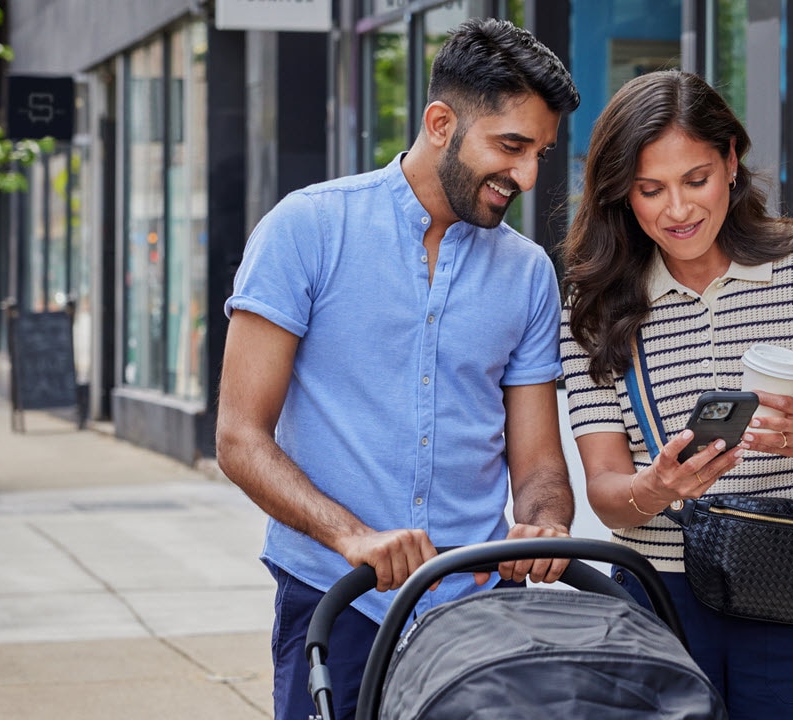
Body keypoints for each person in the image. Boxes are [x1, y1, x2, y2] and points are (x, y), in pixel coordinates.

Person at [216, 18, 580, 720]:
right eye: (511, 146)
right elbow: (239, 437)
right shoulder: (307, 230)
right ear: (441, 122)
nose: (530, 175)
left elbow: (537, 464)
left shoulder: (530, 273)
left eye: (540, 152)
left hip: (476, 614)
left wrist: (543, 523)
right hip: (335, 598)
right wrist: (353, 536)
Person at [559, 69, 793, 720]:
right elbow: (604, 491)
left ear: (732, 162)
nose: (677, 211)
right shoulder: (596, 303)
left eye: (695, 180)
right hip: (658, 598)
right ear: (622, 191)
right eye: (650, 190)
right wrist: (655, 487)